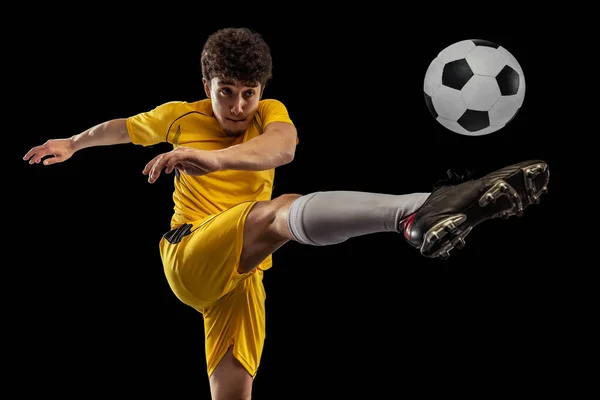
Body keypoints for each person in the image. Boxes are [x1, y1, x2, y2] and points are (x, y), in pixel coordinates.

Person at [23, 27, 549, 399]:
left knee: (233, 389)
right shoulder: (179, 117)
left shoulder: (269, 116)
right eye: (225, 93)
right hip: (188, 254)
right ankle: (416, 212)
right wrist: (73, 141)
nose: (236, 106)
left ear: (261, 92)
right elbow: (120, 127)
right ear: (206, 86)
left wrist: (213, 159)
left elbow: (283, 149)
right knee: (280, 213)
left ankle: (422, 212)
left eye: (248, 94)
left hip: (242, 278)